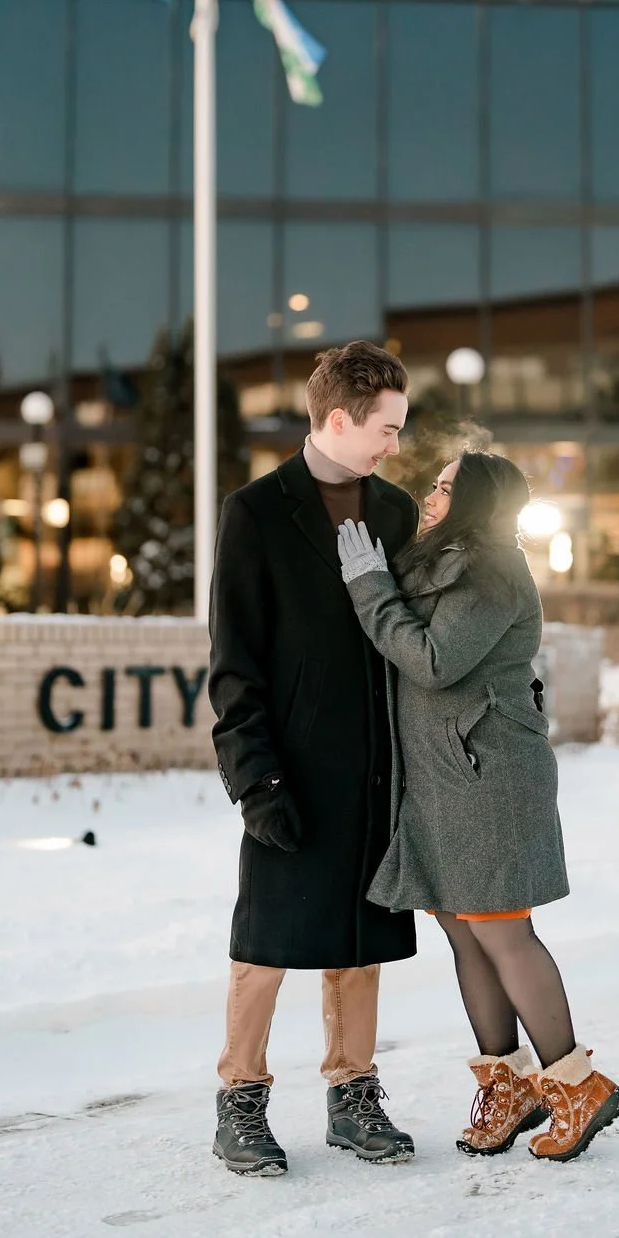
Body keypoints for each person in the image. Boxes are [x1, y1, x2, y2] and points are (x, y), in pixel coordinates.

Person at [336, 451, 619, 1163]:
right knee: (464, 932)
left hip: (488, 773)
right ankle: (508, 1085)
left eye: (444, 487)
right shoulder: (436, 559)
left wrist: (370, 585)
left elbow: (433, 661)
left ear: (476, 500)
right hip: (439, 777)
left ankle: (575, 1082)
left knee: (502, 930)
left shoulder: (493, 572)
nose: (431, 495)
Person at [208, 341, 420, 1177]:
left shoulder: (396, 513)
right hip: (287, 769)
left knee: (358, 941)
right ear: (340, 418)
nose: (396, 443)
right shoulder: (256, 512)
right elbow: (234, 663)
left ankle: (354, 1093)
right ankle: (240, 1099)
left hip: (377, 769)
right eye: (388, 427)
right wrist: (254, 778)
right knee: (265, 943)